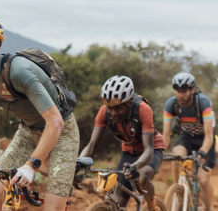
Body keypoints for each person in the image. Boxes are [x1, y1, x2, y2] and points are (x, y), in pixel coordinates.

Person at [0, 13, 80, 211]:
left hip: (62, 133)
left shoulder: (17, 71)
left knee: (52, 208)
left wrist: (31, 165)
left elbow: (56, 123)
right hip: (28, 131)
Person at [80, 75, 165, 211]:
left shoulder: (143, 109)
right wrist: (80, 163)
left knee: (142, 178)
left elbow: (149, 150)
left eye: (119, 108)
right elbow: (91, 145)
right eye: (110, 108)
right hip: (128, 152)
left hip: (152, 150)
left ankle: (153, 206)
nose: (113, 113)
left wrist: (135, 166)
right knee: (119, 203)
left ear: (129, 103)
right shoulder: (104, 112)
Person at [163, 72, 215, 211]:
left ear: (192, 90)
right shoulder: (171, 104)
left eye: (184, 91)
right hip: (187, 137)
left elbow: (209, 135)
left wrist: (203, 152)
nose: (181, 95)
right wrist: (159, 151)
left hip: (206, 140)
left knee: (203, 180)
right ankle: (177, 190)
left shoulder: (203, 102)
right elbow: (166, 136)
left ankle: (209, 207)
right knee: (176, 155)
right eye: (178, 91)